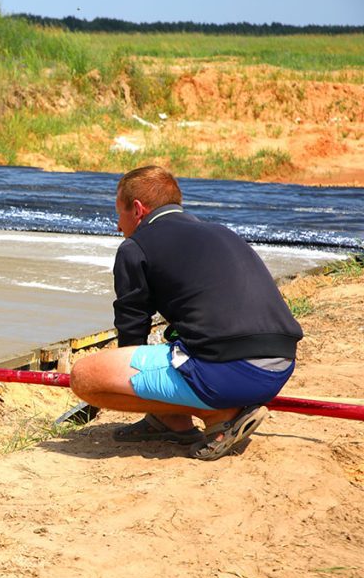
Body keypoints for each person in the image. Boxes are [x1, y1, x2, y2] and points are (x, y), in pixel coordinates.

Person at [69, 165, 303, 460]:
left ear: (138, 210)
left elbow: (132, 330)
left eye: (119, 213)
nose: (118, 225)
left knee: (84, 376)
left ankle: (220, 414)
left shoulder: (135, 247)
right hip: (279, 366)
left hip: (231, 375)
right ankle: (168, 420)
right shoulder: (220, 231)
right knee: (179, 343)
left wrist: (120, 385)